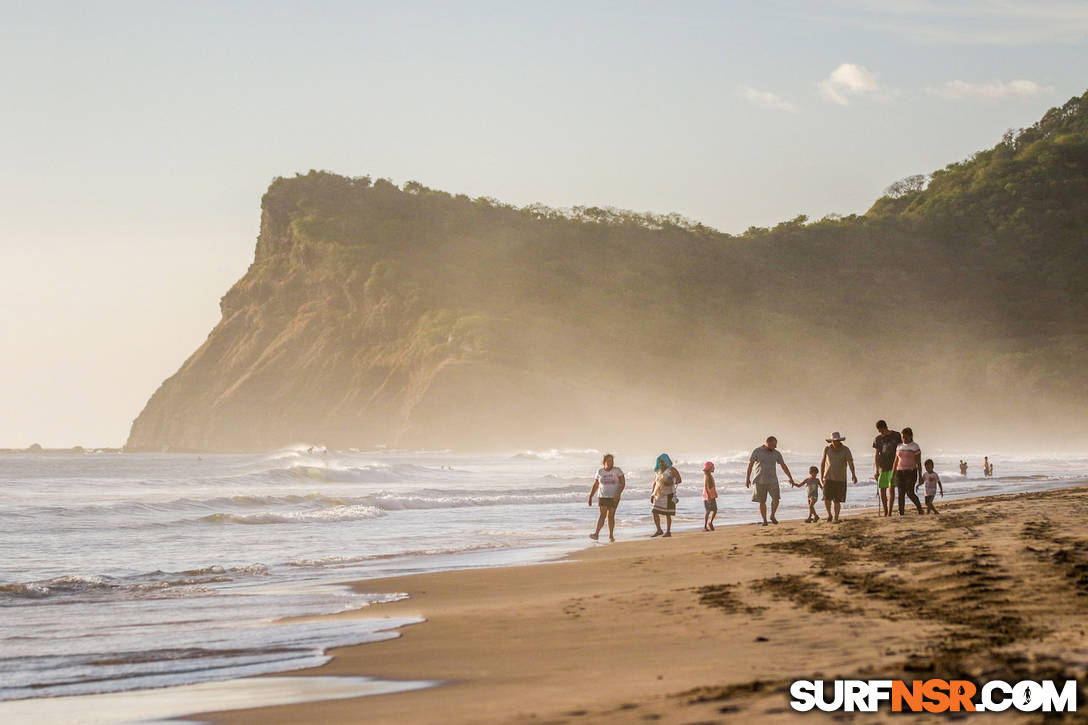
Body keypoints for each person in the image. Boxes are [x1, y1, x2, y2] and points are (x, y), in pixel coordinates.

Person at [745, 436, 795, 526]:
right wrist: (747, 478)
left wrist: (790, 478)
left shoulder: (776, 453)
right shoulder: (757, 451)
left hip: (773, 480)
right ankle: (764, 520)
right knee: (762, 502)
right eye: (774, 444)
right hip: (759, 480)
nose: (775, 447)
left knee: (776, 499)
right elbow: (750, 465)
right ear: (768, 443)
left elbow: (783, 466)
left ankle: (772, 515)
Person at [821, 432, 857, 523]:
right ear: (831, 441)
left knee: (837, 500)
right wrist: (821, 476)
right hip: (828, 477)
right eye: (834, 441)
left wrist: (853, 475)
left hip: (840, 478)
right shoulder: (827, 449)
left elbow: (850, 463)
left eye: (837, 441)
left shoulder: (845, 450)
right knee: (826, 498)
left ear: (840, 440)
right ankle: (829, 514)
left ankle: (836, 518)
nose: (835, 442)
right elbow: (822, 463)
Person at [588, 453, 625, 542]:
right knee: (602, 515)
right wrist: (590, 496)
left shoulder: (617, 470)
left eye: (612, 461)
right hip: (602, 496)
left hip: (614, 497)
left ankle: (611, 536)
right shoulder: (600, 471)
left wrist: (618, 494)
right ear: (604, 462)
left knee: (611, 516)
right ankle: (596, 534)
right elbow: (596, 484)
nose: (611, 463)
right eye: (609, 461)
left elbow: (623, 483)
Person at [872, 420, 902, 517]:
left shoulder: (896, 435)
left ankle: (889, 512)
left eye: (881, 430)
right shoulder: (878, 439)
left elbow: (900, 450)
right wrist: (876, 470)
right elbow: (876, 455)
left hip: (894, 466)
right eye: (879, 431)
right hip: (883, 467)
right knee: (882, 490)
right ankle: (885, 511)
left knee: (891, 489)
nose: (880, 433)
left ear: (885, 427)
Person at [892, 427, 925, 515]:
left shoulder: (915, 446)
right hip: (900, 472)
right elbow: (896, 461)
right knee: (901, 493)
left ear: (911, 436)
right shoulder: (899, 446)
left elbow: (918, 462)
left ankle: (919, 508)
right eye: (903, 437)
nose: (904, 439)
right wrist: (893, 475)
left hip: (911, 472)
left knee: (910, 492)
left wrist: (920, 476)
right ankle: (901, 512)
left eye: (906, 437)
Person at [650, 454, 681, 537]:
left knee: (668, 514)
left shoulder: (672, 470)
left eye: (662, 461)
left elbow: (679, 480)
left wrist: (671, 482)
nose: (661, 463)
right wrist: (652, 494)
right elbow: (655, 483)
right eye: (660, 461)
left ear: (666, 461)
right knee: (654, 512)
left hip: (669, 494)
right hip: (659, 495)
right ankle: (659, 530)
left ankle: (668, 531)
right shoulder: (658, 471)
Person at [702, 461, 717, 532]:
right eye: (712, 467)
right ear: (709, 468)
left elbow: (712, 486)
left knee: (715, 510)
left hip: (712, 495)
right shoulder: (707, 476)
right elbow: (706, 487)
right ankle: (705, 526)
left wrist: (714, 493)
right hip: (707, 496)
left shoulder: (710, 476)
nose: (714, 468)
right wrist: (708, 497)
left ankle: (710, 522)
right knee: (708, 511)